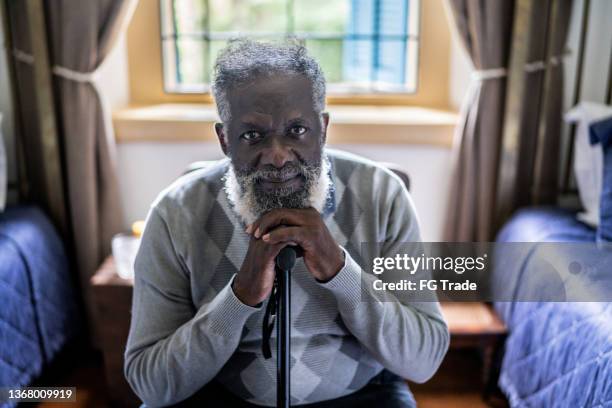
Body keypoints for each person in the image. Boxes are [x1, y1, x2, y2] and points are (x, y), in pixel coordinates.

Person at [124, 39, 449, 407]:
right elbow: (149, 383)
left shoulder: (381, 196)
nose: (278, 157)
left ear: (323, 129)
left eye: (297, 130)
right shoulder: (175, 213)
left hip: (362, 395)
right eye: (252, 135)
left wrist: (339, 270)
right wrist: (238, 297)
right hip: (218, 394)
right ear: (224, 139)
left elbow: (424, 360)